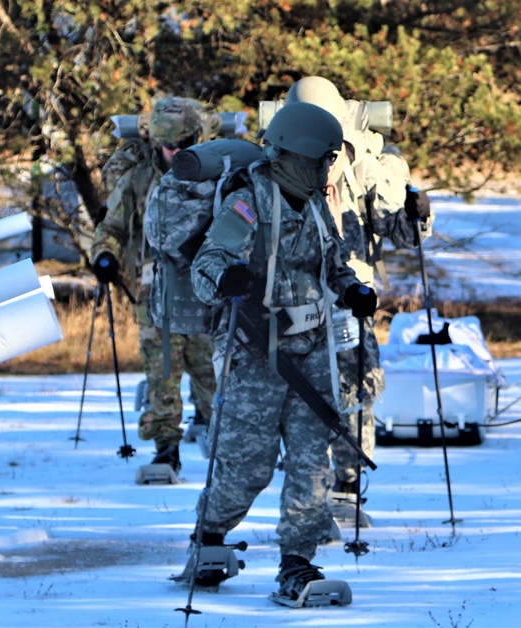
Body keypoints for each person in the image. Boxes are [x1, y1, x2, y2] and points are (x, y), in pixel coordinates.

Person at [185, 101, 375, 602]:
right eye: (322, 160)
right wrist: (228, 278)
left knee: (313, 460)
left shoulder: (313, 203)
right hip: (256, 354)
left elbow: (332, 260)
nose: (326, 168)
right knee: (247, 464)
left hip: (311, 349)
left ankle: (298, 561)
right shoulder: (249, 202)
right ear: (293, 156)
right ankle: (208, 540)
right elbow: (206, 265)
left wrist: (352, 288)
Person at [286, 76, 432, 509]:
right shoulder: (279, 164)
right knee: (300, 397)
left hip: (352, 300)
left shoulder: (363, 167)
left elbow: (399, 230)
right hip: (295, 299)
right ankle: (307, 490)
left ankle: (347, 488)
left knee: (355, 393)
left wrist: (416, 214)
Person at [90, 96, 218, 477]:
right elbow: (111, 225)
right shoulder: (139, 178)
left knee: (211, 367)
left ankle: (224, 439)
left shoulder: (215, 173)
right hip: (156, 288)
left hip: (205, 286)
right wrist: (105, 255)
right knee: (162, 371)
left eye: (183, 145)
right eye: (168, 146)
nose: (174, 153)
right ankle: (166, 449)